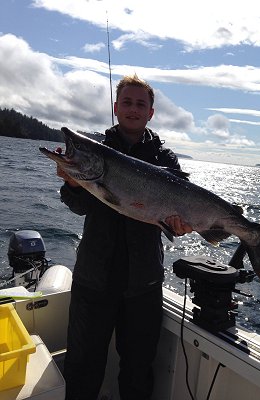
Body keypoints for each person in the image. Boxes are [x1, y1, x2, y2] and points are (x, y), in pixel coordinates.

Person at [58, 74, 192, 400]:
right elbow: (78, 207)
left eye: (140, 104)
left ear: (151, 112)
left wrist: (180, 224)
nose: (133, 109)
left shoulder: (166, 160)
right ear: (116, 107)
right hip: (94, 280)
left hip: (142, 285)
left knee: (137, 372)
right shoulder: (96, 151)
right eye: (127, 103)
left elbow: (176, 218)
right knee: (82, 367)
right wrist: (74, 182)